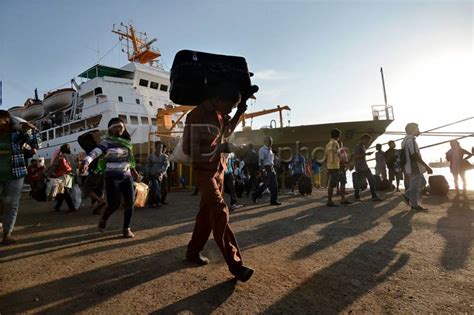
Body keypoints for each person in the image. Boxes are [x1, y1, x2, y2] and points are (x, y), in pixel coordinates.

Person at [182, 82, 257, 282]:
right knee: (220, 211)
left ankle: (192, 252)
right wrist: (224, 147)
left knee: (206, 216)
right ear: (218, 99)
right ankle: (236, 266)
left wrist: (241, 108)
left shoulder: (220, 113)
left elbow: (227, 129)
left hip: (219, 171)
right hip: (205, 172)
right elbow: (191, 150)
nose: (230, 110)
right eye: (231, 106)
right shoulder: (196, 116)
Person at [80, 118, 137, 238]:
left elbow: (129, 160)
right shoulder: (106, 142)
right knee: (114, 204)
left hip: (126, 176)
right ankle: (104, 218)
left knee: (130, 203)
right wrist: (86, 162)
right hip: (112, 177)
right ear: (110, 129)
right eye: (117, 127)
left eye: (121, 127)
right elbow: (94, 153)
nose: (120, 130)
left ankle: (126, 229)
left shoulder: (126, 142)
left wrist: (133, 171)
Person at [0, 110, 40, 244]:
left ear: (6, 120)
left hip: (15, 175)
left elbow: (35, 145)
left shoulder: (16, 134)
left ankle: (7, 234)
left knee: (12, 204)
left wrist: (29, 130)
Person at [401, 123, 433, 210]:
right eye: (417, 129)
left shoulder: (404, 141)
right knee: (415, 187)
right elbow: (414, 155)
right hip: (414, 167)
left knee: (422, 183)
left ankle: (407, 195)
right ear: (412, 130)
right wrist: (427, 166)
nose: (419, 131)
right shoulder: (411, 141)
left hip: (409, 167)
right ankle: (414, 205)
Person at [48, 144, 78, 213]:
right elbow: (75, 166)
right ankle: (57, 207)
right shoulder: (73, 156)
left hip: (63, 176)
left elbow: (54, 166)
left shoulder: (61, 156)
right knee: (62, 191)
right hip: (71, 175)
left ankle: (71, 207)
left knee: (64, 192)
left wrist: (48, 174)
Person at [252, 136, 281, 206]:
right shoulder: (262, 150)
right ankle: (255, 195)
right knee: (266, 185)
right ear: (265, 142)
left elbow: (271, 160)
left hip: (271, 168)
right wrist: (263, 170)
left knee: (275, 185)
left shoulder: (270, 150)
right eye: (269, 141)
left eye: (271, 141)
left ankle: (273, 201)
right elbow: (261, 161)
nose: (271, 142)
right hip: (266, 168)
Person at [353, 134, 382, 202]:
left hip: (364, 166)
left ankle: (373, 196)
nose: (368, 142)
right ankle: (357, 196)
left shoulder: (362, 146)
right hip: (361, 167)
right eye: (368, 140)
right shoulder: (358, 146)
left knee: (372, 180)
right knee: (360, 182)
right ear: (364, 139)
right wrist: (366, 154)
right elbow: (356, 156)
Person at [146, 141, 170, 208]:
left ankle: (160, 200)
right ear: (155, 147)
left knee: (163, 189)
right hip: (153, 175)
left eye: (161, 147)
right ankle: (155, 202)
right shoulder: (151, 156)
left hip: (162, 174)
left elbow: (166, 166)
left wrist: (160, 172)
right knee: (155, 188)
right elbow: (148, 166)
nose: (160, 149)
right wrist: (152, 173)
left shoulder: (165, 157)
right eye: (159, 147)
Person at [325, 128, 343, 206]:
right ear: (338, 136)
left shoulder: (328, 144)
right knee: (332, 185)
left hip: (329, 166)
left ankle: (330, 200)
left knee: (331, 184)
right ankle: (329, 201)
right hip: (335, 166)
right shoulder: (336, 143)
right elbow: (338, 155)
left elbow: (326, 155)